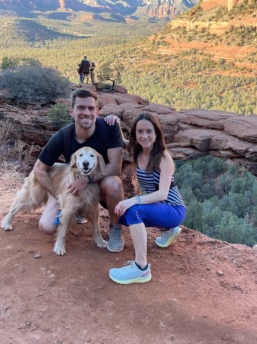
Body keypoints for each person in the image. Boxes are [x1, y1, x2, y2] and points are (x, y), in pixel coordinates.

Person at [33, 88, 125, 253]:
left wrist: (87, 180)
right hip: (71, 187)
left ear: (97, 111)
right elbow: (39, 169)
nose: (86, 112)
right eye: (81, 108)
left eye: (91, 108)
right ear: (72, 111)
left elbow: (115, 167)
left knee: (113, 183)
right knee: (46, 226)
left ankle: (115, 227)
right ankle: (77, 209)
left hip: (98, 185)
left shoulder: (110, 128)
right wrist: (58, 195)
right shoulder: (63, 137)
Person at [107, 112, 186, 285]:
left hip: (173, 208)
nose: (144, 136)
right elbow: (120, 141)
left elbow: (163, 194)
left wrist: (134, 199)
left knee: (134, 210)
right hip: (158, 207)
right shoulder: (137, 151)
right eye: (140, 132)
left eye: (149, 131)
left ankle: (141, 268)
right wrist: (116, 123)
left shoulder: (164, 157)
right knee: (125, 216)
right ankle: (168, 230)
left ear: (157, 133)